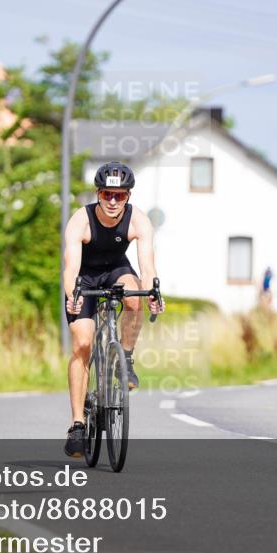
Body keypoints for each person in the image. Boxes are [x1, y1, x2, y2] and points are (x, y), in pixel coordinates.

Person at [62, 162, 163, 457]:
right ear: (98, 194)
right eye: (107, 194)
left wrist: (153, 292)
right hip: (84, 277)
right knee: (82, 344)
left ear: (128, 197)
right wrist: (72, 295)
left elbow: (147, 266)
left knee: (134, 298)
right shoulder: (80, 221)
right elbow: (70, 268)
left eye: (119, 195)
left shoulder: (138, 221)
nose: (113, 201)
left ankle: (125, 359)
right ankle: (77, 425)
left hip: (117, 269)